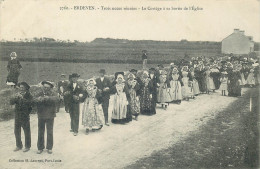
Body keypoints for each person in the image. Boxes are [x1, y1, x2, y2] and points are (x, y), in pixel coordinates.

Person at [34, 81, 59, 154]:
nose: (46, 89)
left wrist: (48, 98)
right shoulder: (39, 93)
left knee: (50, 132)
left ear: (50, 88)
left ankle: (49, 147)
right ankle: (40, 147)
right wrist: (38, 99)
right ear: (42, 87)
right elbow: (33, 99)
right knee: (40, 131)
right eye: (44, 87)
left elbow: (57, 99)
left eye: (47, 88)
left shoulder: (53, 93)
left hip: (50, 115)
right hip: (41, 115)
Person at [10, 82, 33, 152]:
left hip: (25, 115)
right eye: (20, 87)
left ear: (26, 88)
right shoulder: (17, 95)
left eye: (22, 87)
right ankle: (19, 145)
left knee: (26, 131)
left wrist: (22, 98)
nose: (21, 89)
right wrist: (13, 97)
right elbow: (11, 102)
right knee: (16, 131)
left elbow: (30, 104)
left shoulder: (29, 95)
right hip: (17, 115)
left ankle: (27, 146)